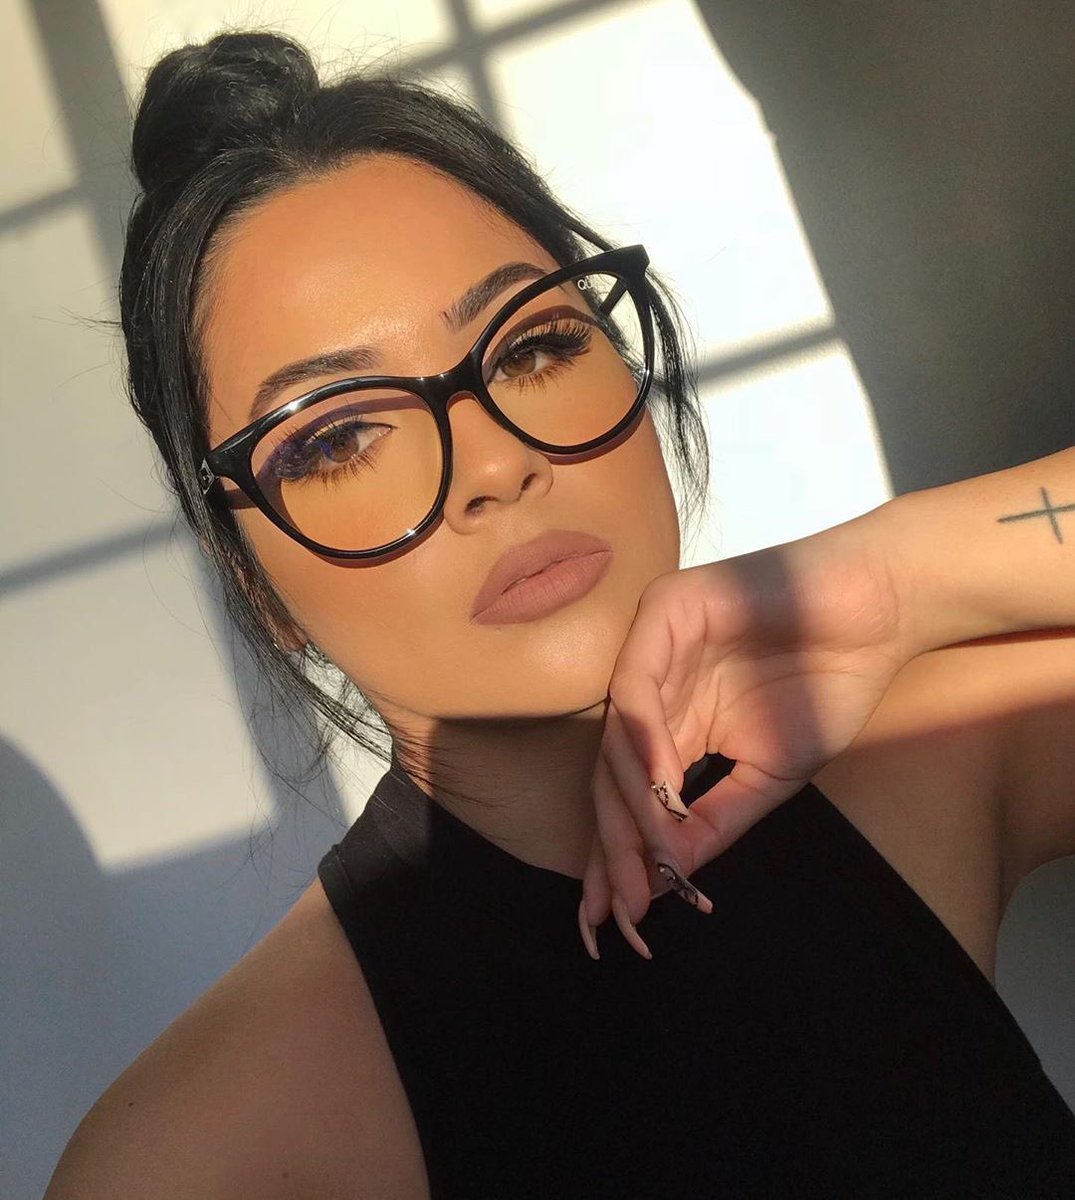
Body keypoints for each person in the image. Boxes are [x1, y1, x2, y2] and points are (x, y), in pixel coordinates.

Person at [45, 29, 1075, 1199]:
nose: (495, 462)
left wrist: (894, 570)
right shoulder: (205, 1155)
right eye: (337, 437)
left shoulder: (917, 752)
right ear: (253, 584)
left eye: (531, 345)